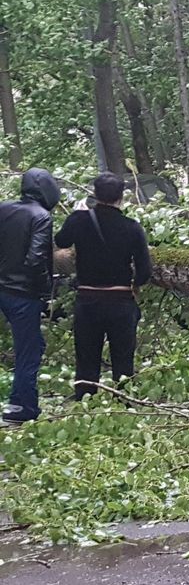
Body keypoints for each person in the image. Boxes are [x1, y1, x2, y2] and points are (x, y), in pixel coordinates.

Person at [57, 173, 151, 400]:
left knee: (86, 356)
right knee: (123, 356)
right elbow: (145, 271)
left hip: (87, 299)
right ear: (122, 197)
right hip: (120, 300)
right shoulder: (132, 228)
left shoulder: (79, 220)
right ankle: (124, 399)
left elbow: (60, 242)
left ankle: (85, 400)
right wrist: (135, 285)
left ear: (94, 195)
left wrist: (76, 215)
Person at [0, 168, 61, 424]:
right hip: (23, 293)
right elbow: (36, 259)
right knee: (29, 349)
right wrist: (46, 291)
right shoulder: (41, 216)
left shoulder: (4, 209)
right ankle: (22, 406)